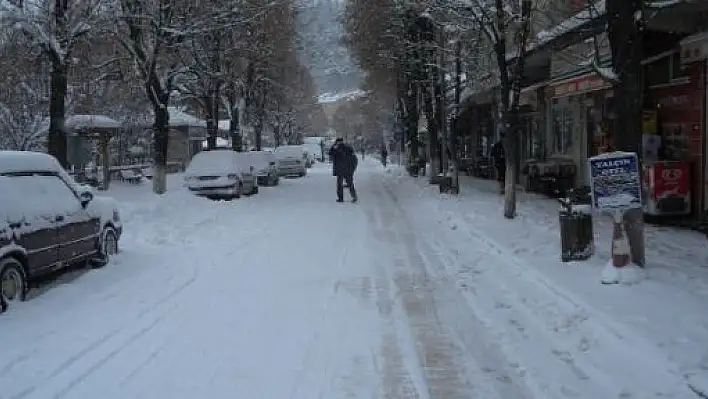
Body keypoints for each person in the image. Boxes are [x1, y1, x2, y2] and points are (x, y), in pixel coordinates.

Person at [329, 138, 358, 203]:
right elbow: (354, 159)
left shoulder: (336, 149)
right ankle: (354, 196)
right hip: (348, 169)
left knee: (340, 185)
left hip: (340, 170)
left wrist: (333, 146)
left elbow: (330, 153)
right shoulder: (349, 148)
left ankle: (340, 198)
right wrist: (353, 168)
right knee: (350, 184)